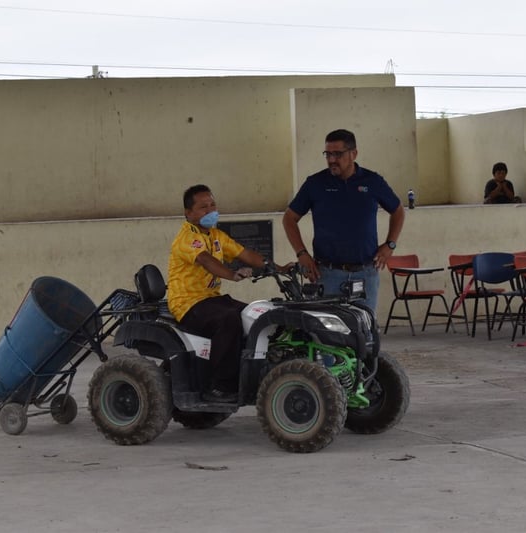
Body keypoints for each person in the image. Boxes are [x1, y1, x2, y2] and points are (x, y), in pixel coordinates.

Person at [168, 184, 282, 403]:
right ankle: (220, 386)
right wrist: (232, 274)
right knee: (228, 320)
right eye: (203, 207)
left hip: (212, 299)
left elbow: (245, 253)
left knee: (256, 316)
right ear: (188, 213)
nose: (210, 210)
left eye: (212, 205)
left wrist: (278, 268)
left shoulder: (216, 235)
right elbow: (206, 260)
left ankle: (252, 372)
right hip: (188, 303)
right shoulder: (187, 238)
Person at [282, 129, 405, 313]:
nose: (332, 159)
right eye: (328, 154)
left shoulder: (372, 181)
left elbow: (398, 211)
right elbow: (289, 218)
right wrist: (302, 254)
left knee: (365, 332)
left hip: (366, 274)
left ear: (353, 153)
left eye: (337, 154)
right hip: (327, 274)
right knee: (328, 334)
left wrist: (390, 244)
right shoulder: (315, 184)